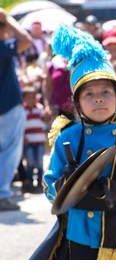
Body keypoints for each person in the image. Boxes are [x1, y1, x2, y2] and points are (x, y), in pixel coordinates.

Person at [40, 24, 116, 260]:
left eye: (106, 92)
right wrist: (64, 184)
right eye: (89, 94)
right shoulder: (66, 136)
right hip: (78, 233)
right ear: (77, 103)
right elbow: (49, 189)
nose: (98, 98)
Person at [0, 8, 32, 211]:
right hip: (8, 105)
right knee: (9, 151)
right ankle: (2, 195)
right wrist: (7, 19)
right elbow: (26, 40)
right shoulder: (3, 47)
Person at [21, 86, 49, 194]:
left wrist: (47, 114)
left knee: (39, 162)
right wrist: (23, 137)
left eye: (33, 98)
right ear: (24, 99)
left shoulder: (40, 108)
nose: (31, 100)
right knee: (30, 162)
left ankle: (40, 182)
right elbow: (21, 126)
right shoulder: (23, 111)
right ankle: (30, 182)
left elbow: (44, 119)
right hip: (28, 141)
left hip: (39, 140)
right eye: (28, 98)